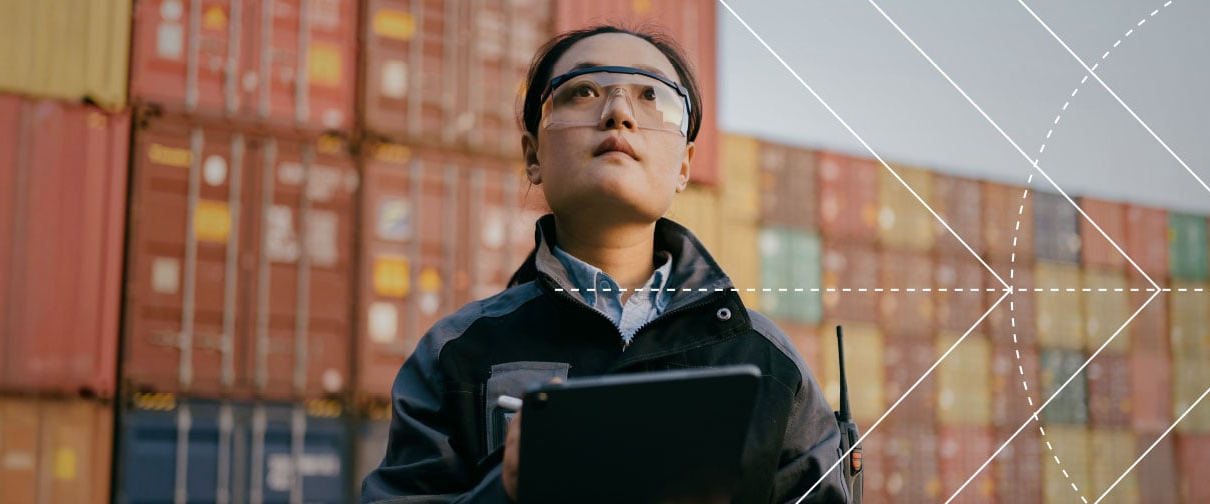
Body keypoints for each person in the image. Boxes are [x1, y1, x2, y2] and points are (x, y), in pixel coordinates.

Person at [358, 25, 855, 503]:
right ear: (533, 156)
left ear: (684, 165)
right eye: (583, 91)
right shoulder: (455, 355)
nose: (619, 112)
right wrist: (506, 490)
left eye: (651, 95)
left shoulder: (769, 362)